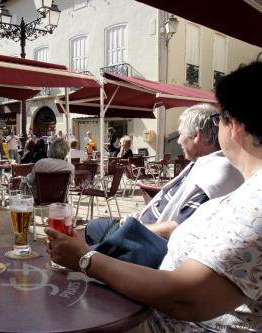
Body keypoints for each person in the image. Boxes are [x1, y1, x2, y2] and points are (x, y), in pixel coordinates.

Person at [47, 62, 262, 332]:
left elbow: (186, 299)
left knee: (56, 314)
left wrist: (85, 259)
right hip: (149, 299)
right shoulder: (249, 190)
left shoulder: (256, 203)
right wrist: (137, 229)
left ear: (237, 127)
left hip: (156, 323)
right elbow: (187, 230)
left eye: (219, 118)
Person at [85, 103, 244, 246]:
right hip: (143, 225)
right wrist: (140, 214)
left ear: (196, 136)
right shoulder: (204, 163)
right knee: (94, 226)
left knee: (91, 231)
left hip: (148, 241)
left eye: (181, 133)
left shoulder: (215, 174)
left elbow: (180, 227)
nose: (178, 140)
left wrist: (136, 227)